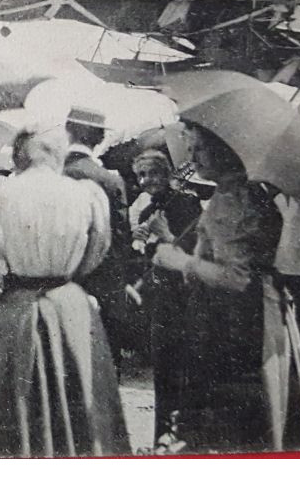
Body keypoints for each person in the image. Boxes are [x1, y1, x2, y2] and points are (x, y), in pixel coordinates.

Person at [146, 124, 300, 452]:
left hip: (238, 322)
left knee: (236, 425)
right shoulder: (242, 193)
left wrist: (180, 262)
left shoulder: (232, 199)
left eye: (199, 149)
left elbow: (236, 277)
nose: (192, 157)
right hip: (252, 314)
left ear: (224, 150)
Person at [0, 124, 129, 457]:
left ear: (20, 156)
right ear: (56, 154)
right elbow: (97, 251)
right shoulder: (85, 194)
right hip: (70, 303)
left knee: (20, 401)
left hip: (19, 307)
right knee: (81, 396)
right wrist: (66, 275)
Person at [128, 147, 203, 445]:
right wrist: (140, 242)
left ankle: (184, 436)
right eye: (141, 176)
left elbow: (198, 252)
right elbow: (149, 258)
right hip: (161, 301)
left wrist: (167, 234)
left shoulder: (188, 204)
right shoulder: (147, 212)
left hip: (187, 298)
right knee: (163, 368)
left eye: (152, 173)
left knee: (186, 366)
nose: (147, 181)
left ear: (167, 174)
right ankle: (162, 436)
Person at [62, 107, 133, 369]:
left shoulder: (55, 175)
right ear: (100, 138)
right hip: (105, 284)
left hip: (59, 283)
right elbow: (122, 240)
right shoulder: (111, 181)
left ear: (67, 132)